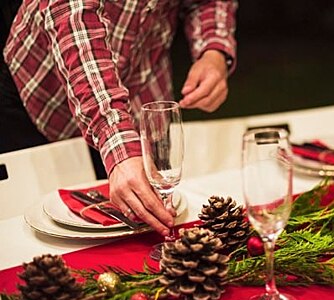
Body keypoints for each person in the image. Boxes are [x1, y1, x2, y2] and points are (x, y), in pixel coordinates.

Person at [1, 0, 237, 236]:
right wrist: (117, 141)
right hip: (41, 97)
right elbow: (76, 26)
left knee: (139, 230)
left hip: (141, 89)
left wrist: (214, 50)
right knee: (34, 233)